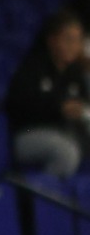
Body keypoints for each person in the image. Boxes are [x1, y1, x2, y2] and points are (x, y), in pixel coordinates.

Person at [7, 9, 90, 178]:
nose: (73, 46)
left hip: (65, 131)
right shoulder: (33, 67)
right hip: (29, 132)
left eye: (77, 41)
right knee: (65, 151)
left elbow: (83, 104)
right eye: (68, 39)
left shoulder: (75, 74)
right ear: (52, 40)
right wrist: (59, 108)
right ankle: (40, 199)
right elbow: (18, 106)